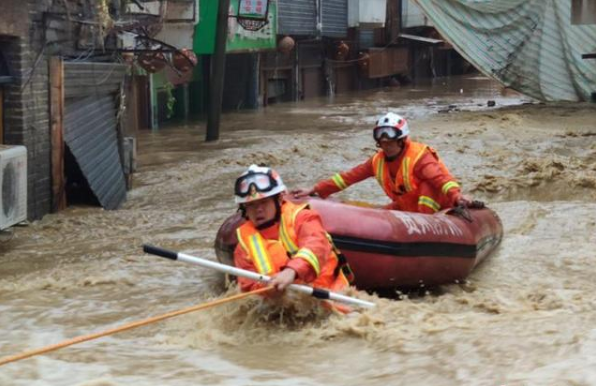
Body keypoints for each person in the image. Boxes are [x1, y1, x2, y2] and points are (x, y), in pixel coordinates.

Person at [293, 112, 483, 214]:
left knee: (428, 185)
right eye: (382, 141)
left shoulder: (419, 157)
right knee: (378, 214)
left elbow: (441, 180)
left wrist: (457, 196)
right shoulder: (378, 161)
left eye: (390, 141)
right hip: (406, 208)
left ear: (401, 140)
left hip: (435, 207)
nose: (386, 144)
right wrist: (315, 189)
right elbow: (347, 178)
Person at [233, 164, 350, 300]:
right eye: (251, 205)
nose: (258, 209)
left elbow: (316, 245)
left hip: (329, 293)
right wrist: (267, 291)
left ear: (278, 200)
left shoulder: (303, 218)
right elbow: (248, 286)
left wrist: (292, 271)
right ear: (244, 209)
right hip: (284, 305)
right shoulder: (243, 246)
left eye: (264, 202)